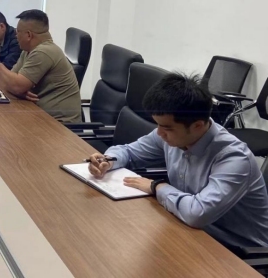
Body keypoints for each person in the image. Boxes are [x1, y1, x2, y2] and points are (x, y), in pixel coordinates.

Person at [87, 73, 268, 249]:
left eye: (166, 128)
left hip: (239, 249)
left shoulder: (234, 158)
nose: (159, 133)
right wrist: (109, 160)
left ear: (197, 126)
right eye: (157, 124)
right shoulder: (173, 133)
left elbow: (197, 213)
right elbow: (129, 151)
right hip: (187, 228)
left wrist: (156, 186)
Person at [0, 9, 81, 123]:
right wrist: (17, 89)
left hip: (61, 125)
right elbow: (9, 81)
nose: (15, 35)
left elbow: (16, 86)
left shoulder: (44, 52)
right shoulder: (28, 50)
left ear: (29, 35)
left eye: (18, 32)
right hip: (40, 115)